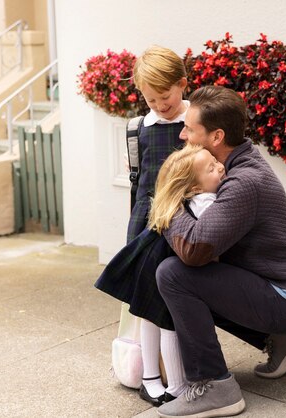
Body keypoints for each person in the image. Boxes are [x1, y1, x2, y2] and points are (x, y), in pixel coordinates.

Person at [155, 86, 286, 418]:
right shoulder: (236, 160)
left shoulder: (243, 182)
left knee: (173, 275)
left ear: (216, 136)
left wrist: (167, 200)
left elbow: (194, 249)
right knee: (179, 267)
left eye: (191, 129)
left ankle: (215, 387)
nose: (183, 134)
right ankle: (283, 339)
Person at [94, 45, 189, 407]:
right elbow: (139, 182)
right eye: (151, 100)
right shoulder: (139, 129)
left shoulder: (195, 122)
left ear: (182, 84)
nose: (160, 106)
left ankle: (180, 375)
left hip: (183, 222)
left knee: (178, 299)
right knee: (146, 302)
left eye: (165, 97)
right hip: (146, 223)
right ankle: (151, 377)